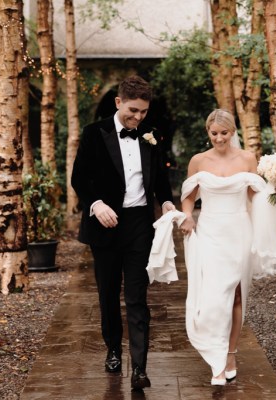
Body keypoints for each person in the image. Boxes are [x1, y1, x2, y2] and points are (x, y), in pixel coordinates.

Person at [178, 109, 276, 386]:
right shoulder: (198, 161)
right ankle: (213, 347)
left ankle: (228, 356)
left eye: (224, 133)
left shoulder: (247, 159)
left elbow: (257, 197)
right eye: (214, 133)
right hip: (208, 231)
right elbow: (188, 196)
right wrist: (187, 217)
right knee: (212, 295)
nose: (219, 138)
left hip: (238, 232)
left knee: (236, 295)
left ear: (233, 133)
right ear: (208, 132)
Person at [71, 75, 175, 390]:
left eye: (143, 111)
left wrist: (167, 201)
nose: (138, 117)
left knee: (137, 295)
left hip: (139, 225)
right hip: (105, 224)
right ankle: (113, 348)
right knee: (107, 293)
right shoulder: (94, 133)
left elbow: (159, 178)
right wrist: (96, 204)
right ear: (118, 102)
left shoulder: (151, 134)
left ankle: (139, 368)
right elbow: (79, 178)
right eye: (133, 110)